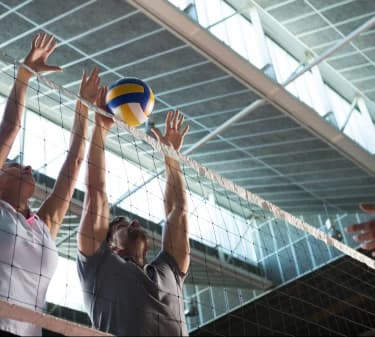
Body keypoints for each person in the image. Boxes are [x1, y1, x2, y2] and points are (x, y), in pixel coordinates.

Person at [0, 33, 101, 336]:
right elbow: (10, 130)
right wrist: (25, 75)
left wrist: (83, 109)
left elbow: (74, 165)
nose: (28, 166)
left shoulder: (43, 226)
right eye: (15, 164)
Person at [77, 97, 190, 336]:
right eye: (121, 223)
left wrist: (171, 158)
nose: (134, 222)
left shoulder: (169, 270)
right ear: (110, 245)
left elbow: (177, 210)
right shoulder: (99, 268)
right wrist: (100, 128)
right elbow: (96, 193)